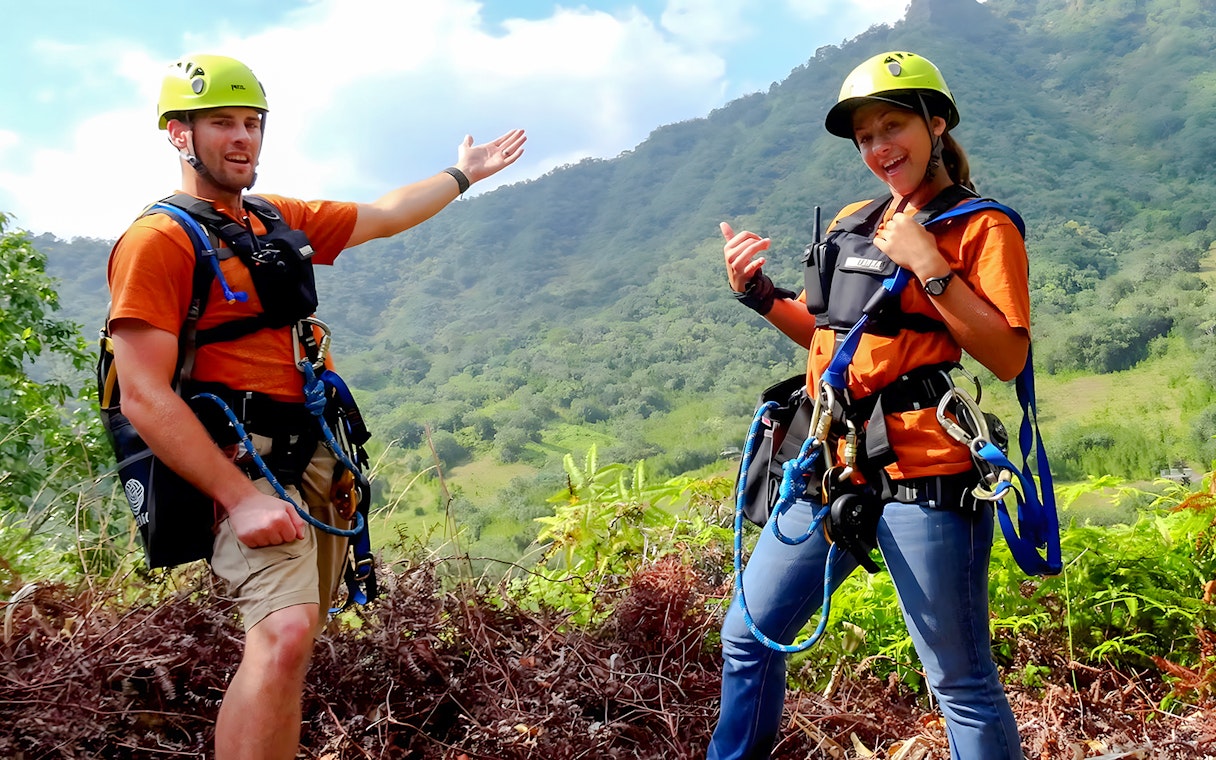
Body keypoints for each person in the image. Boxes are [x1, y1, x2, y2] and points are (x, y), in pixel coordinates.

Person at [105, 53, 525, 760]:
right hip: (240, 464)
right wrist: (238, 499)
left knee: (293, 642)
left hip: (313, 455)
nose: (242, 139)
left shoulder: (276, 219)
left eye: (251, 124)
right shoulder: (157, 242)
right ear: (179, 135)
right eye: (221, 125)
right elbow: (143, 394)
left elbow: (385, 215)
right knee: (286, 630)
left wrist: (464, 175)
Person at [711, 51, 1030, 759]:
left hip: (924, 471)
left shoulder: (982, 227)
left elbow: (1007, 357)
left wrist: (930, 265)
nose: (880, 147)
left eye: (894, 125)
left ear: (935, 122)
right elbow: (833, 335)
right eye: (865, 137)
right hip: (829, 460)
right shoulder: (857, 221)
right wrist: (760, 295)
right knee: (746, 636)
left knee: (959, 681)